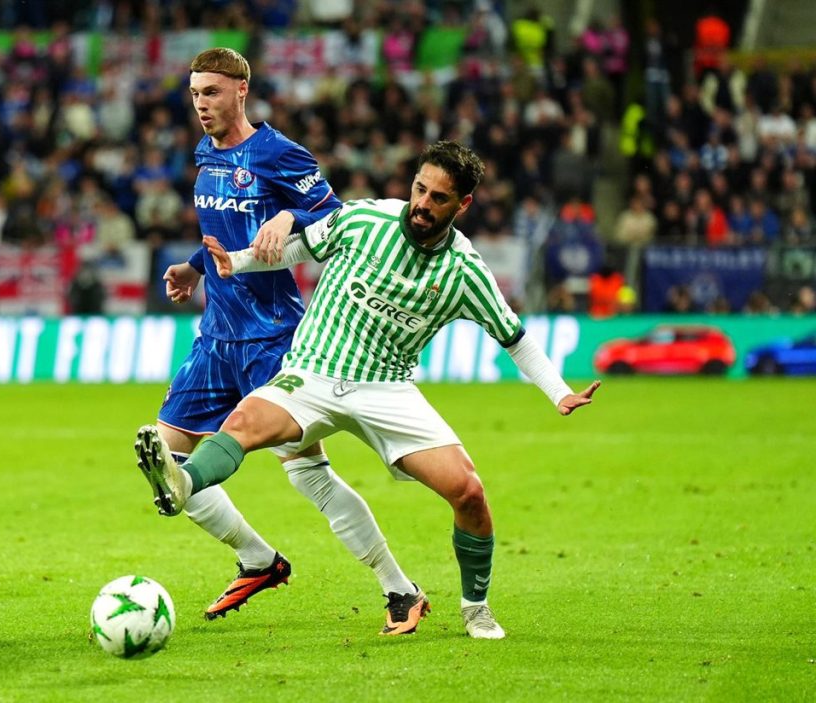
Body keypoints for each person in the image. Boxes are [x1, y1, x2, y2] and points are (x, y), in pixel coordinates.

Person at [137, 141, 601, 639]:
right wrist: (237, 262)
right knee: (245, 424)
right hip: (312, 373)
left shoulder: (465, 271)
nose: (423, 204)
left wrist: (558, 393)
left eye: (439, 198)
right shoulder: (363, 221)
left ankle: (476, 608)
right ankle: (183, 484)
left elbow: (515, 337)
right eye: (420, 189)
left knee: (468, 492)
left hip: (386, 389)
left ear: (462, 205)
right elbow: (299, 248)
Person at [139, 47, 422, 633]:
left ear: (242, 90)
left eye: (211, 92)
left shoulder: (278, 153)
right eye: (194, 94)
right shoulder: (204, 155)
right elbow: (224, 228)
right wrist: (195, 266)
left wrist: (291, 218)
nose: (201, 104)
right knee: (166, 464)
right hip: (216, 338)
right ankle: (258, 559)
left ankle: (400, 588)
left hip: (274, 339)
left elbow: (338, 218)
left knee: (308, 474)